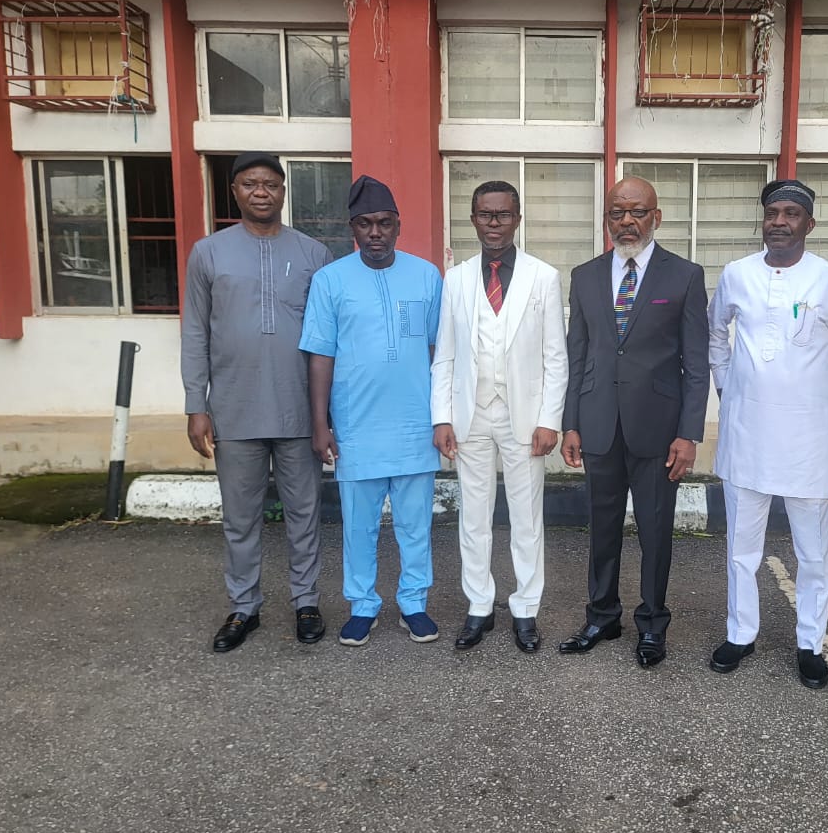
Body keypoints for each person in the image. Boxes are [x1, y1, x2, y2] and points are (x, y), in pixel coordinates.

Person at [707, 179, 828, 687]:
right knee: (741, 548)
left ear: (809, 224)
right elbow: (717, 336)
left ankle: (810, 643)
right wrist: (733, 394)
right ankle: (740, 633)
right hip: (747, 433)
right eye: (772, 212)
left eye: (791, 213)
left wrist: (819, 406)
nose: (779, 221)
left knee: (813, 551)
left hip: (807, 440)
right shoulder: (736, 275)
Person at [181, 152, 334, 653]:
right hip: (233, 408)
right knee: (240, 516)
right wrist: (195, 403)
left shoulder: (313, 254)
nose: (261, 192)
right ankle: (243, 607)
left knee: (304, 512)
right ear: (235, 191)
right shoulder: (208, 253)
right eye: (250, 184)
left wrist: (328, 413)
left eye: (271, 184)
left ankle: (306, 602)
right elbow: (195, 332)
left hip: (298, 409)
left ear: (283, 191)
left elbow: (330, 340)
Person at [558, 176, 710, 668]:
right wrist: (571, 424)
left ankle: (652, 623)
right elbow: (576, 354)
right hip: (600, 424)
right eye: (617, 213)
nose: (627, 221)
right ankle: (602, 616)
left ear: (656, 217)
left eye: (637, 211)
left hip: (659, 430)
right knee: (601, 527)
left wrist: (689, 433)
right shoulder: (584, 275)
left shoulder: (684, 276)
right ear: (606, 220)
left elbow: (695, 362)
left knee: (655, 530)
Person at [300, 175, 443, 647]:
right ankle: (362, 604)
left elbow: (440, 351)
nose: (375, 232)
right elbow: (321, 355)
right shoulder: (330, 281)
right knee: (359, 526)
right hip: (356, 425)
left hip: (414, 425)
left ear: (399, 225)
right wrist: (321, 424)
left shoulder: (426, 276)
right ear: (352, 229)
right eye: (365, 224)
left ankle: (414, 603)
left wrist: (443, 416)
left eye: (384, 222)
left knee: (414, 523)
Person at [431, 181, 569, 653]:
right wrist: (441, 417)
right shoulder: (456, 279)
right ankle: (479, 606)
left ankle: (526, 608)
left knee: (527, 518)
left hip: (525, 420)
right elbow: (444, 356)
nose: (494, 223)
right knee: (473, 517)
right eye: (485, 214)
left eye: (503, 214)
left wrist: (551, 419)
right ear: (472, 219)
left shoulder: (543, 277)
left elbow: (556, 357)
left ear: (517, 218)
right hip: (471, 416)